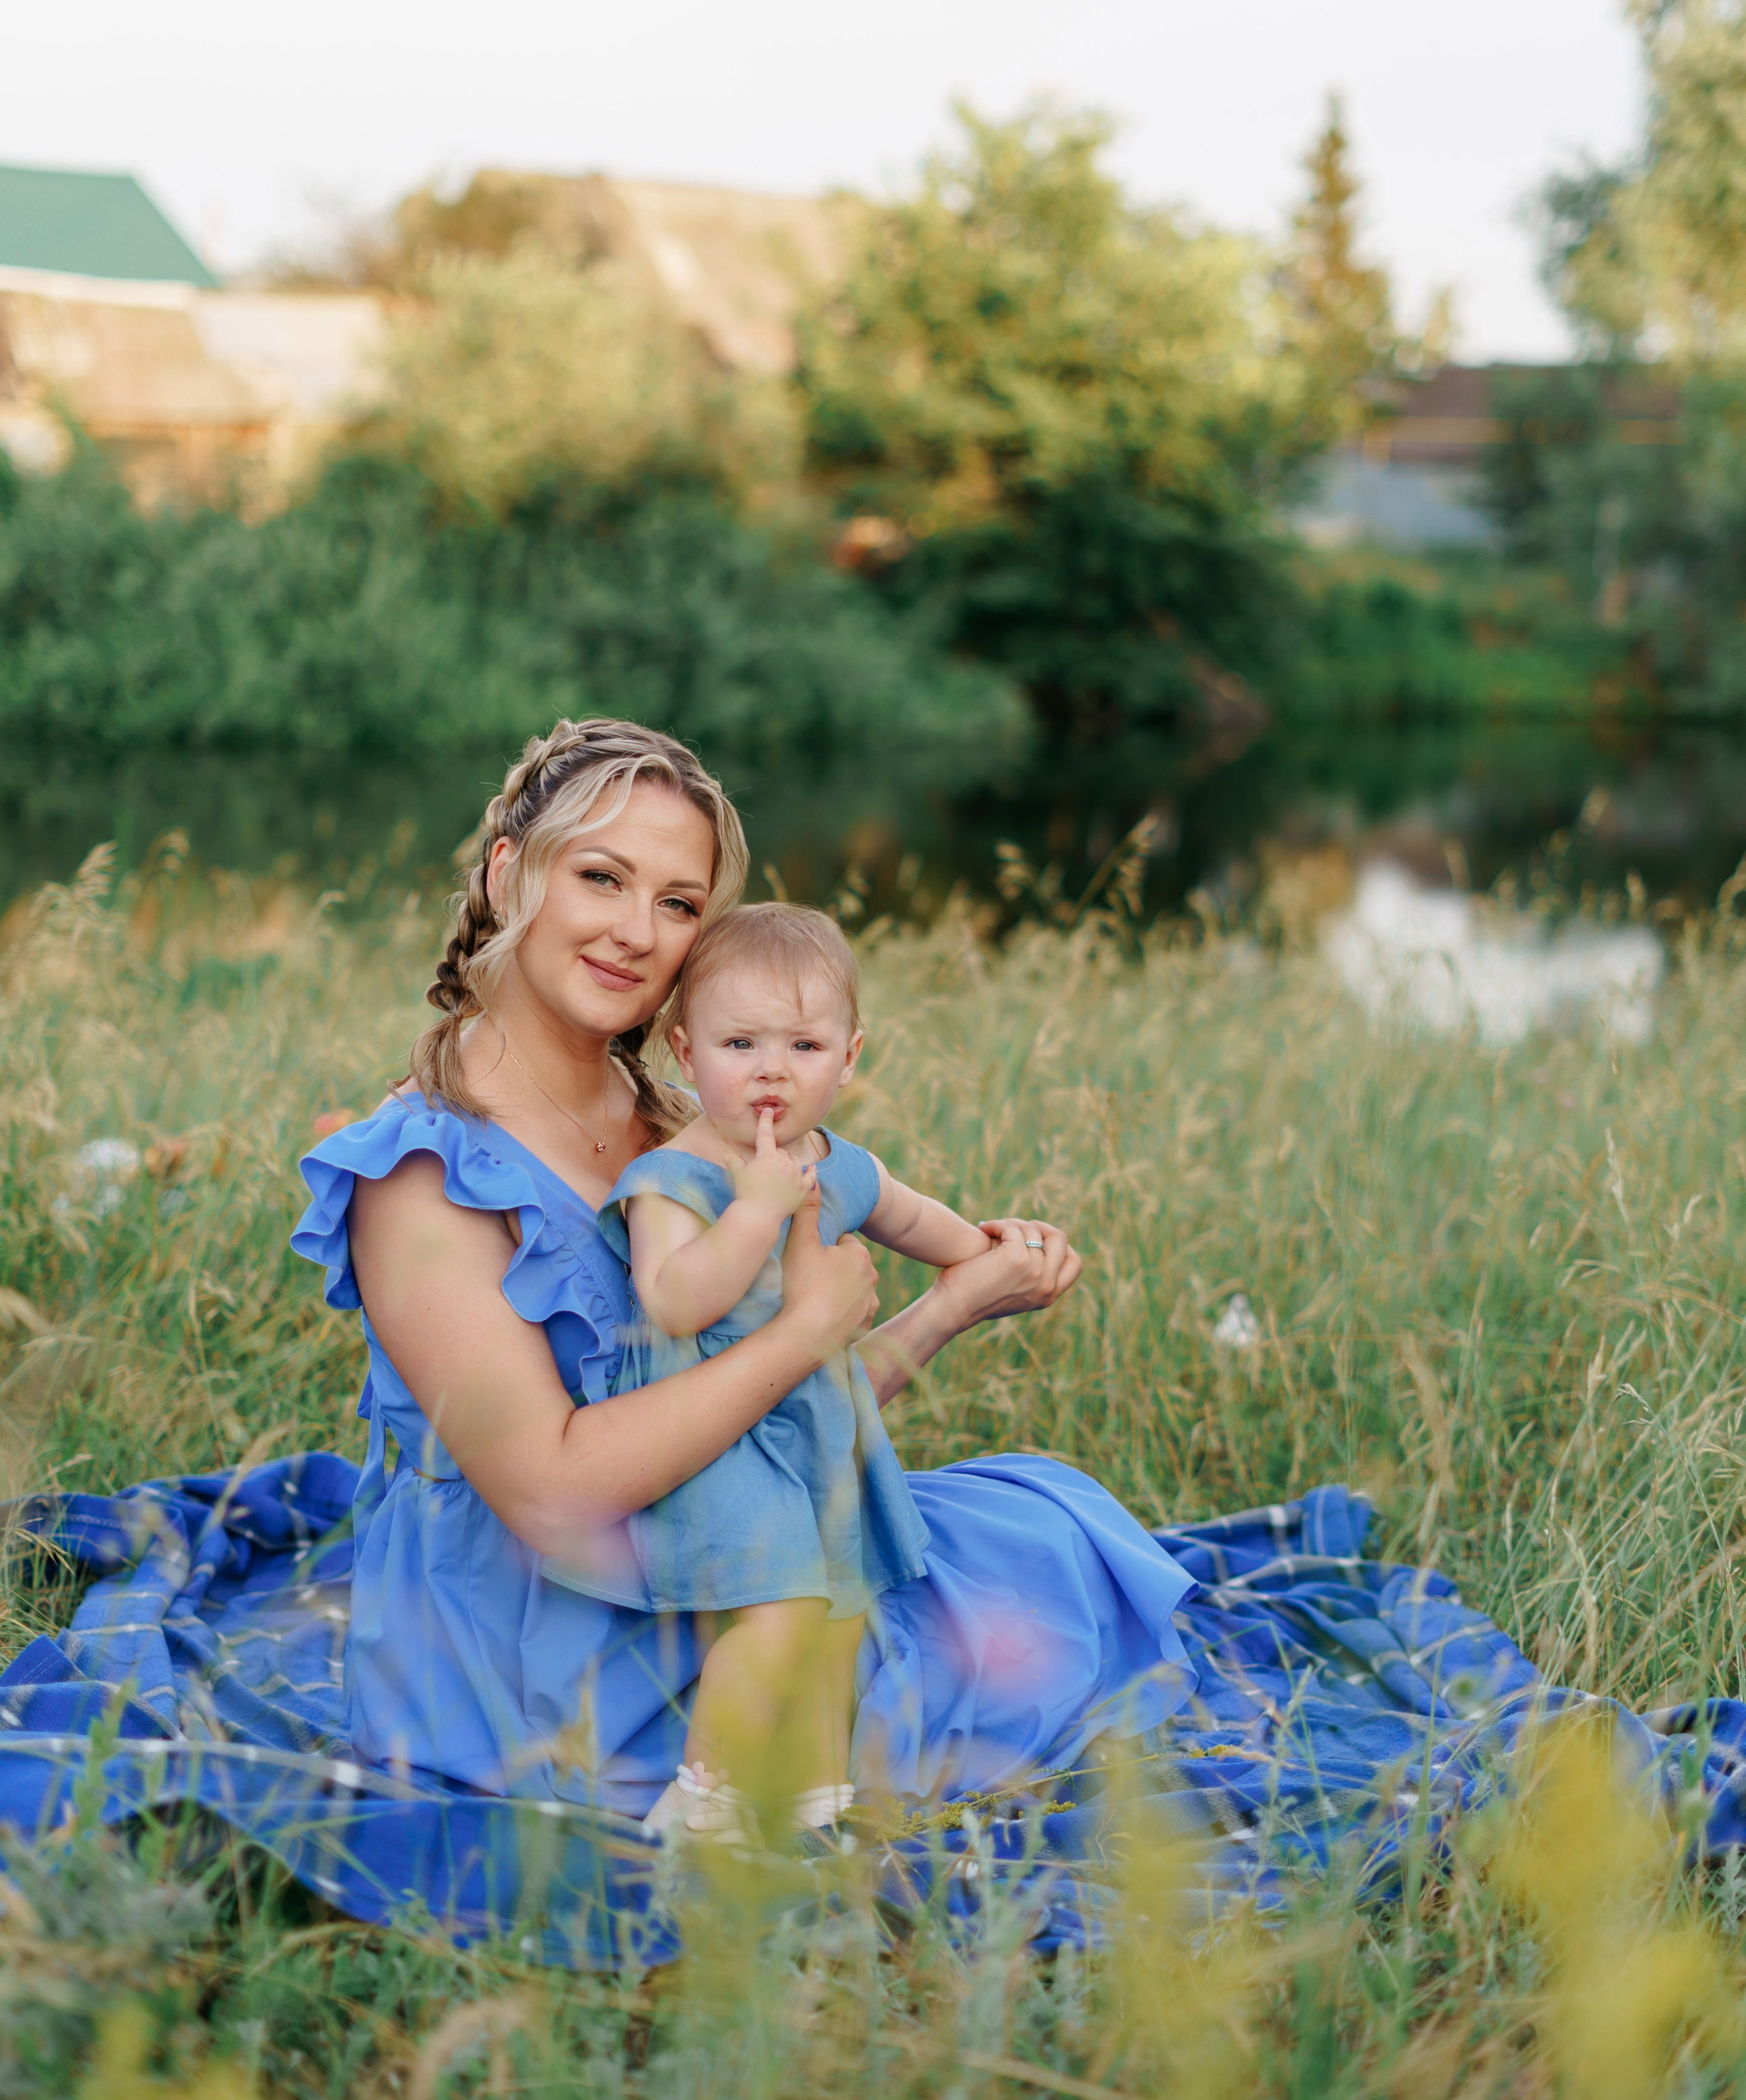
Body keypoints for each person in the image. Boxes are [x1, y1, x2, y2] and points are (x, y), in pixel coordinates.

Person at [293, 717, 1197, 1825]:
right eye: (601, 878)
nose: (636, 932)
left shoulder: (682, 1126)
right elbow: (556, 1493)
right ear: (509, 871)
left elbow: (773, 1429)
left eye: (678, 905)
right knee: (993, 1611)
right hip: (524, 1640)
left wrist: (953, 1301)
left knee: (1045, 1519)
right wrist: (795, 1338)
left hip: (704, 1554)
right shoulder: (424, 1173)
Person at [598, 902, 992, 1840]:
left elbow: (919, 1219)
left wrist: (991, 1251)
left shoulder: (837, 1164)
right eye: (740, 1042)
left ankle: (810, 1806)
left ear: (850, 1057)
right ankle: (701, 1806)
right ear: (687, 1056)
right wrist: (753, 1212)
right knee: (776, 1611)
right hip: (713, 1441)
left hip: (815, 1437)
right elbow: (673, 1300)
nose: (773, 1069)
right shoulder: (676, 1178)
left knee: (835, 1614)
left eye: (805, 1047)